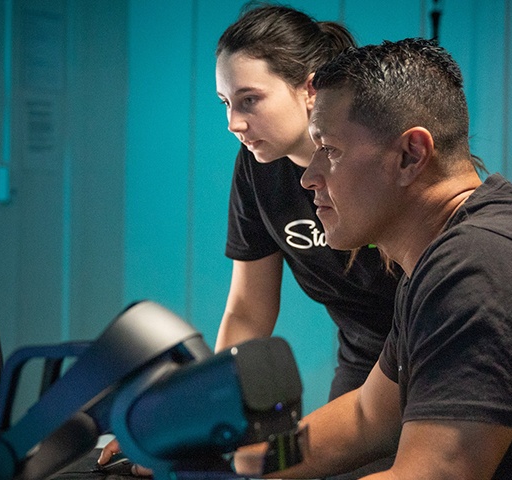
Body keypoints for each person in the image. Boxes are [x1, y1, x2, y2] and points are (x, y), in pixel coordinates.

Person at [233, 38, 512, 479]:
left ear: (411, 155)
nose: (309, 178)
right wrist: (242, 464)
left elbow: (433, 474)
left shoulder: (480, 267)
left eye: (329, 151)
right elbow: (367, 418)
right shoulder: (441, 254)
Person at [98, 5, 399, 477]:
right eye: (225, 103)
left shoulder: (373, 162)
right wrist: (191, 425)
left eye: (249, 100)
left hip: (431, 355)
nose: (233, 122)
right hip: (363, 364)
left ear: (310, 88)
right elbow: (248, 311)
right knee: (279, 467)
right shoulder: (258, 169)